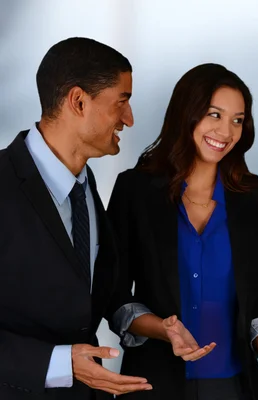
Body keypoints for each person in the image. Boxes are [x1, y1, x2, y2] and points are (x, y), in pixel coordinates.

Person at [106, 63, 258, 400]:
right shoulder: (135, 190)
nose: (226, 131)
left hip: (234, 387)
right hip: (153, 383)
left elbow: (255, 307)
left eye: (237, 120)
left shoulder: (255, 198)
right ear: (188, 112)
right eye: (214, 114)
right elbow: (114, 298)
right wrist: (162, 329)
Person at [0, 37, 153, 399]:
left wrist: (158, 327)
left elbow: (93, 291)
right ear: (79, 101)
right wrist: (59, 363)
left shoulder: (85, 185)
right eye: (122, 102)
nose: (129, 119)